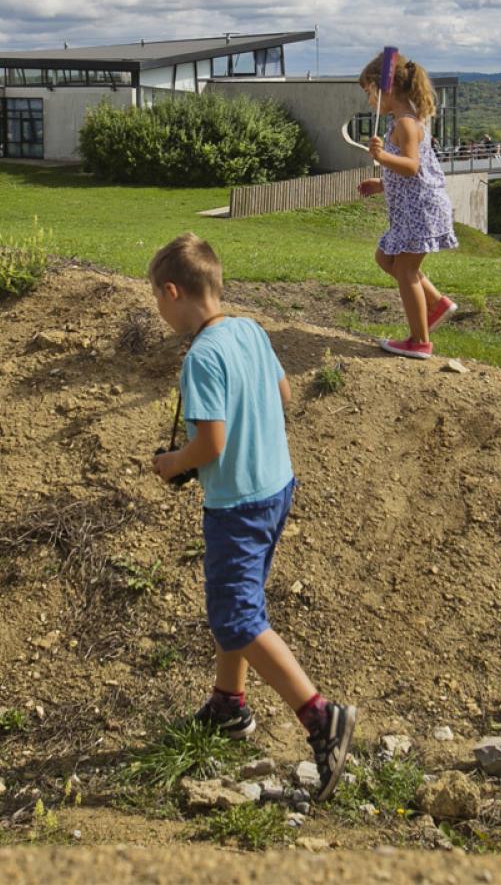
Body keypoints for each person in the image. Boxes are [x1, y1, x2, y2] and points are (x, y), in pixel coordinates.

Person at [148, 233, 356, 801]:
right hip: (275, 488)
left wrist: (174, 462)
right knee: (238, 603)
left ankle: (321, 717)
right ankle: (229, 705)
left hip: (236, 504)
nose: (160, 312)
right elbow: (284, 395)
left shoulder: (200, 357)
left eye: (157, 301)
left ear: (173, 292)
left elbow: (210, 444)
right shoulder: (250, 330)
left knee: (237, 616)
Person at [357, 52, 458, 360]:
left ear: (383, 88)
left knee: (405, 269)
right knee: (386, 259)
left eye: (368, 93)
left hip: (421, 211)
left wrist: (382, 158)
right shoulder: (403, 121)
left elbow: (412, 166)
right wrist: (382, 183)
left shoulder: (406, 124)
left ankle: (419, 341)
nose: (369, 102)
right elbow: (410, 174)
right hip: (413, 209)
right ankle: (437, 304)